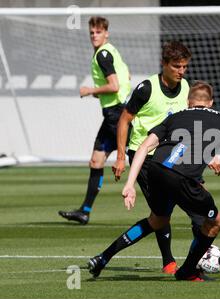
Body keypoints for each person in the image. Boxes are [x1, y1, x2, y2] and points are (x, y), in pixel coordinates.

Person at [88, 81, 220, 281]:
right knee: (215, 222)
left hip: (156, 170)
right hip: (182, 178)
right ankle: (187, 271)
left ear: (188, 102)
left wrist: (130, 184)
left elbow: (143, 148)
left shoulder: (176, 116)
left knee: (157, 220)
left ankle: (103, 257)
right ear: (211, 103)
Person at [111, 41, 220, 274]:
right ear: (164, 64)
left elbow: (191, 128)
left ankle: (203, 256)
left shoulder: (186, 86)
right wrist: (119, 157)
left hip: (174, 156)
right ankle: (171, 261)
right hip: (145, 156)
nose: (181, 71)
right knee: (161, 214)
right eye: (177, 66)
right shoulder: (146, 88)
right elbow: (124, 120)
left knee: (193, 206)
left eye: (185, 67)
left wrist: (206, 155)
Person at [59, 16, 131, 225]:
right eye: (91, 32)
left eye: (98, 32)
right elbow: (126, 77)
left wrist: (90, 90)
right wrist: (102, 94)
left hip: (116, 115)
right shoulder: (111, 51)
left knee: (140, 159)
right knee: (96, 161)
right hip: (112, 113)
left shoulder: (103, 55)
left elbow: (115, 85)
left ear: (106, 33)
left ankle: (170, 200)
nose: (94, 36)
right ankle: (85, 211)